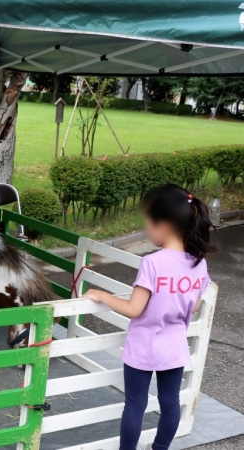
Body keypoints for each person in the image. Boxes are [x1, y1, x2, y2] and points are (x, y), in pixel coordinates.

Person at [84, 183, 216, 450]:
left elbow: (134, 309)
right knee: (169, 405)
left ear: (163, 225)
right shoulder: (199, 263)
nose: (146, 230)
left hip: (143, 347)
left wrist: (101, 296)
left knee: (135, 406)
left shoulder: (152, 263)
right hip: (174, 347)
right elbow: (192, 306)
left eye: (147, 224)